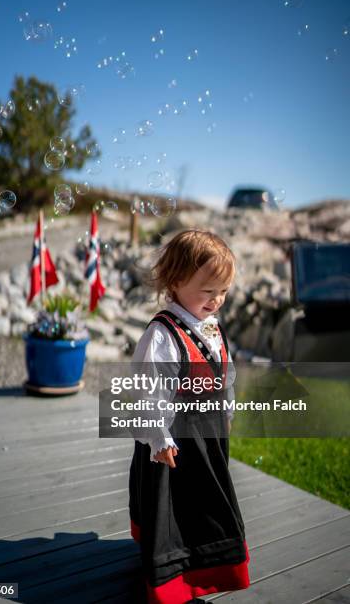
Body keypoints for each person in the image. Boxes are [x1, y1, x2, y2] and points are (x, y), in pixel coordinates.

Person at [128, 229, 251, 603]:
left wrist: (226, 409)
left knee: (206, 500)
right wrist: (159, 437)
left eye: (224, 292)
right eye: (208, 290)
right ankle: (173, 576)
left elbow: (223, 374)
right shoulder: (163, 335)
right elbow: (148, 390)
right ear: (177, 281)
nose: (217, 301)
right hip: (175, 440)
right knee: (174, 507)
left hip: (208, 435)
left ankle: (207, 564)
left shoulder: (211, 328)